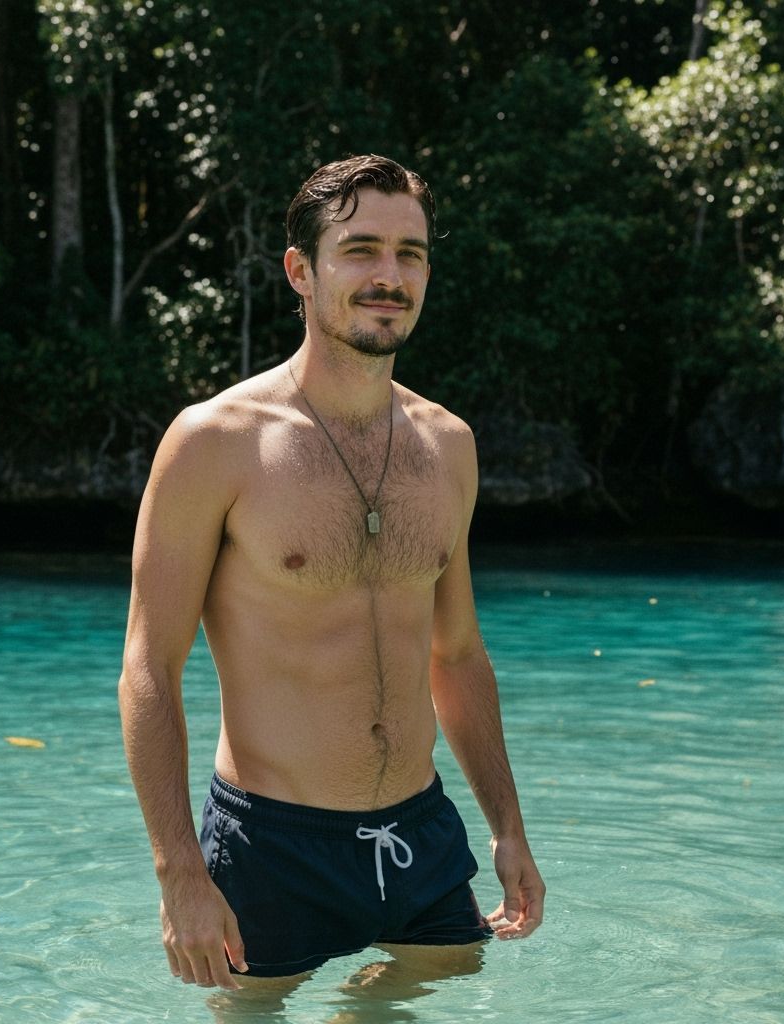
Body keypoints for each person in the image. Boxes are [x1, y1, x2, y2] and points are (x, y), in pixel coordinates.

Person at [118, 154, 544, 992]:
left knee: (450, 969)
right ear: (301, 272)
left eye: (411, 254)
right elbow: (148, 669)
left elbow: (456, 655)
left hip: (418, 830)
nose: (390, 276)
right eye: (362, 250)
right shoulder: (216, 443)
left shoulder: (448, 446)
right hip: (273, 844)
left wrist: (507, 827)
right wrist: (179, 874)